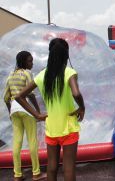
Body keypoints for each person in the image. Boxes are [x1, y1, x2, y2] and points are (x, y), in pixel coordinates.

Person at [15, 38, 85, 181]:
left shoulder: (42, 75)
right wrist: (82, 107)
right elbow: (76, 93)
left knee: (51, 167)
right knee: (68, 168)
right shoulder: (69, 72)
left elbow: (19, 96)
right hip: (68, 127)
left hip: (51, 128)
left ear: (50, 54)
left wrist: (37, 115)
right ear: (66, 54)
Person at [3, 51, 47, 181]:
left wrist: (10, 112)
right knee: (32, 141)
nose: (32, 63)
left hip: (14, 111)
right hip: (26, 109)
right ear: (23, 62)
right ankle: (36, 173)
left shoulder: (11, 75)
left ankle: (17, 174)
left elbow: (6, 97)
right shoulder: (27, 73)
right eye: (29, 61)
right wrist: (37, 112)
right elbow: (31, 94)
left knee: (16, 142)